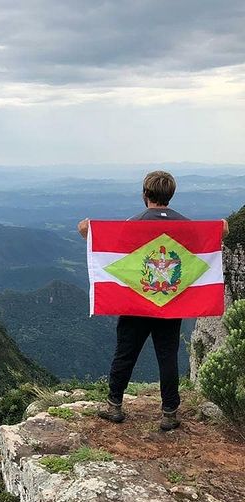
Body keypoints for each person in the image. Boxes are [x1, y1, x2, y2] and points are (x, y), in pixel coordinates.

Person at [77, 171, 229, 431]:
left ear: (145, 195)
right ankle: (169, 412)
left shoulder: (133, 223)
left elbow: (84, 229)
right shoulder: (184, 226)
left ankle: (114, 405)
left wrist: (91, 227)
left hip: (136, 302)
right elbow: (223, 229)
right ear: (171, 195)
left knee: (125, 353)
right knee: (168, 356)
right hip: (169, 303)